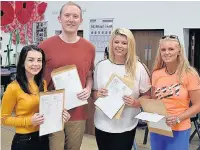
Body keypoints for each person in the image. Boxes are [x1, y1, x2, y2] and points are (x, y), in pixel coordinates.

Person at [38, 2, 95, 150]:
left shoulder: (89, 48)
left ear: (81, 20)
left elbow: (89, 74)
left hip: (78, 111)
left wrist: (88, 89)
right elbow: (36, 77)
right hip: (52, 110)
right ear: (59, 18)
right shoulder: (44, 46)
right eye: (67, 15)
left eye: (75, 16)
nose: (71, 19)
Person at [1, 45, 71, 150]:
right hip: (24, 141)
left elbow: (46, 110)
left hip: (43, 137)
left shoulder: (42, 83)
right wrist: (29, 121)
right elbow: (3, 119)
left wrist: (60, 115)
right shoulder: (13, 88)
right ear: (22, 63)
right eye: (31, 60)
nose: (36, 64)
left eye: (39, 60)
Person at [92, 28, 151, 150]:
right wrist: (98, 94)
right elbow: (94, 93)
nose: (120, 46)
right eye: (116, 42)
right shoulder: (101, 66)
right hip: (102, 124)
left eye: (124, 43)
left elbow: (147, 95)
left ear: (130, 45)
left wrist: (136, 102)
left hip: (126, 125)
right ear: (111, 43)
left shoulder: (138, 68)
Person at [151, 35, 200, 150]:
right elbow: (154, 101)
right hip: (158, 127)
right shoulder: (156, 74)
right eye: (163, 49)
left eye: (171, 49)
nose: (167, 52)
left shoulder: (190, 74)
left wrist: (178, 118)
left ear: (179, 51)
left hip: (179, 128)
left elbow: (198, 105)